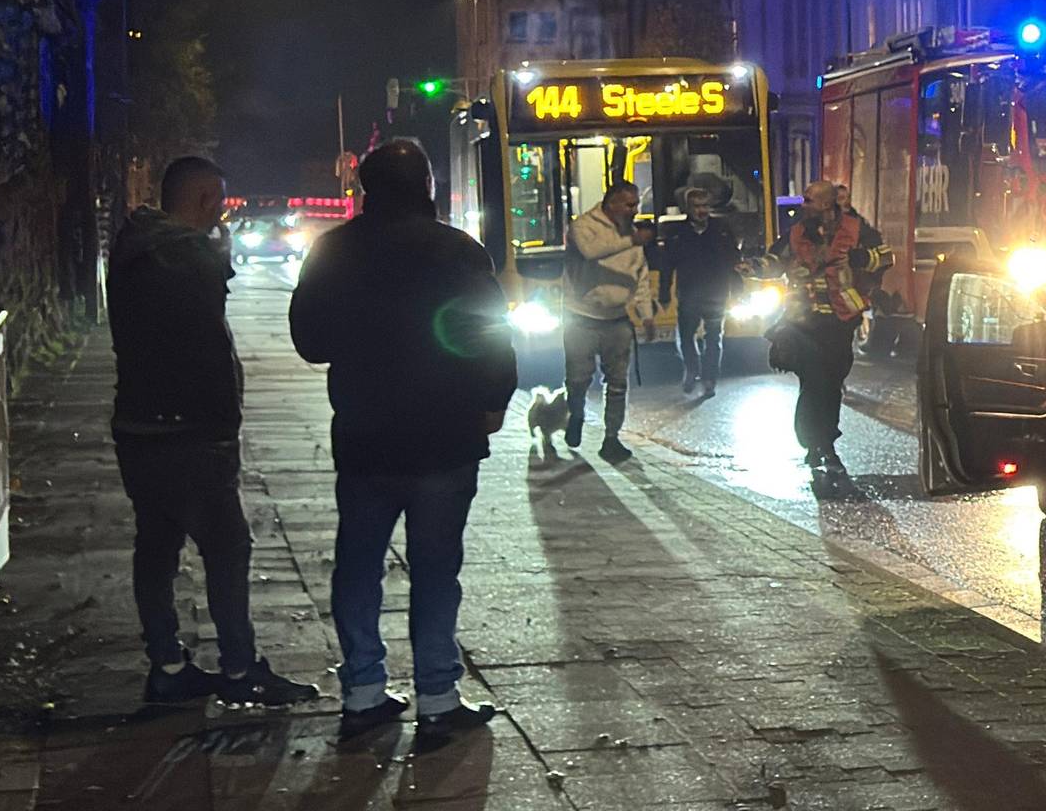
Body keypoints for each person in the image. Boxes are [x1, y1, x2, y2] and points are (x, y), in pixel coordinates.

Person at [290, 140, 514, 737]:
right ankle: (437, 695)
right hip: (445, 435)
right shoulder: (458, 250)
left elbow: (310, 341)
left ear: (366, 189)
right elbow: (491, 335)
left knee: (358, 565)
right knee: (436, 569)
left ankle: (364, 690)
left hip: (366, 433)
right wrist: (494, 400)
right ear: (427, 188)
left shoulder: (334, 250)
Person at [107, 157, 320, 708]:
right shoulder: (189, 257)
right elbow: (206, 312)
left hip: (138, 424)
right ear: (204, 199)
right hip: (192, 431)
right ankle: (240, 668)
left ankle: (167, 665)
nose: (223, 213)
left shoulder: (133, 248)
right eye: (219, 202)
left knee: (156, 544)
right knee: (227, 547)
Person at [783, 181, 886, 481]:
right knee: (815, 380)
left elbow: (885, 256)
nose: (803, 205)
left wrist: (863, 258)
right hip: (804, 323)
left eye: (809, 200)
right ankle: (819, 443)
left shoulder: (856, 229)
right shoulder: (797, 231)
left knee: (831, 383)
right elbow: (777, 257)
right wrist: (753, 266)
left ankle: (819, 441)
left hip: (840, 323)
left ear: (826, 204)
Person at [562, 182, 648, 461]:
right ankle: (575, 414)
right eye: (629, 205)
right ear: (611, 204)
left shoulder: (631, 235)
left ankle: (611, 439)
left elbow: (640, 276)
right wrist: (632, 241)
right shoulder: (583, 227)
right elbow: (591, 251)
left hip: (617, 319)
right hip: (581, 318)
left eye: (636, 204)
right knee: (578, 379)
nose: (635, 210)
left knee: (618, 383)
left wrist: (646, 314)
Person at [658, 185, 743, 398]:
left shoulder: (722, 230)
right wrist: (664, 293)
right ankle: (692, 368)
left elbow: (733, 262)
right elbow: (667, 265)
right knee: (686, 336)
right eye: (696, 206)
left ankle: (709, 379)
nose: (701, 211)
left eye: (705, 206)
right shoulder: (677, 233)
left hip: (716, 293)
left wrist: (738, 290)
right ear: (687, 208)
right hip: (689, 294)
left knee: (714, 338)